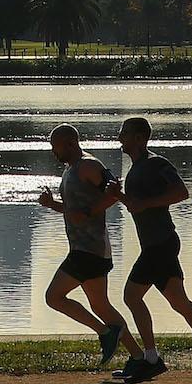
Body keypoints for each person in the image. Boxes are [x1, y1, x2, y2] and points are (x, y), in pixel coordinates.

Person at [106, 115, 192, 384]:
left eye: (124, 133)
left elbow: (181, 192)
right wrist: (120, 197)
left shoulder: (156, 163)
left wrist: (146, 203)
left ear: (140, 138)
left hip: (160, 244)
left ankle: (151, 360)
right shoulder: (136, 169)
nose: (120, 138)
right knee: (178, 301)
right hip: (156, 244)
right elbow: (137, 206)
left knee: (132, 296)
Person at [36, 124, 129, 366]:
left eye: (54, 146)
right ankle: (141, 357)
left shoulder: (89, 166)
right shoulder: (70, 170)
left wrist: (88, 212)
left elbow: (114, 193)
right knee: (101, 306)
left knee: (54, 297)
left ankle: (105, 333)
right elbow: (72, 212)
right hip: (85, 249)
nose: (52, 151)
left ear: (70, 143)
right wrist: (51, 204)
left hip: (89, 250)